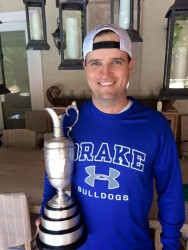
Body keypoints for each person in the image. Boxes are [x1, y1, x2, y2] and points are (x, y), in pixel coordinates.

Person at [37, 24, 185, 249]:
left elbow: (170, 192)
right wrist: (45, 217)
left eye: (116, 61)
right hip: (78, 244)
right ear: (85, 67)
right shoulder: (70, 121)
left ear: (130, 66)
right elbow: (53, 177)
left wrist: (171, 244)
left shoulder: (156, 126)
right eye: (96, 63)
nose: (105, 74)